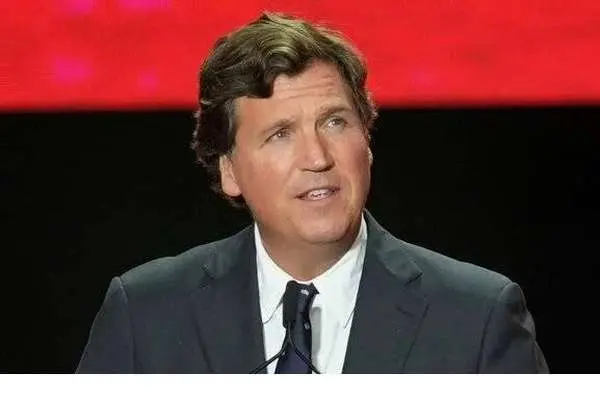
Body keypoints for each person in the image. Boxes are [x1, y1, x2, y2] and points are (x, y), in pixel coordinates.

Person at [76, 12, 548, 373]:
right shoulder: (144, 315)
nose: (317, 157)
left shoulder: (478, 318)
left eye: (335, 122)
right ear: (229, 171)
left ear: (367, 141)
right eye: (280, 134)